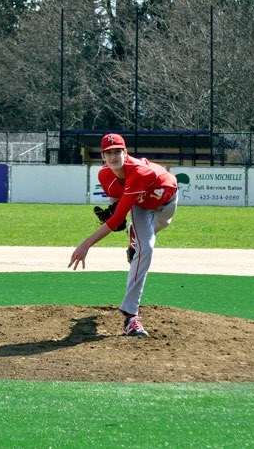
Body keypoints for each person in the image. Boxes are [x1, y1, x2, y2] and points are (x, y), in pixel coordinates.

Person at [69, 133, 178, 337]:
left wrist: (85, 245)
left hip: (167, 204)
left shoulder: (138, 172)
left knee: (148, 237)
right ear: (102, 156)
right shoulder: (104, 175)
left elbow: (117, 217)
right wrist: (112, 208)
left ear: (125, 153)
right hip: (142, 208)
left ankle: (133, 236)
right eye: (108, 153)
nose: (113, 156)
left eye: (117, 151)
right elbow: (115, 200)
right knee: (146, 248)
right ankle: (131, 316)